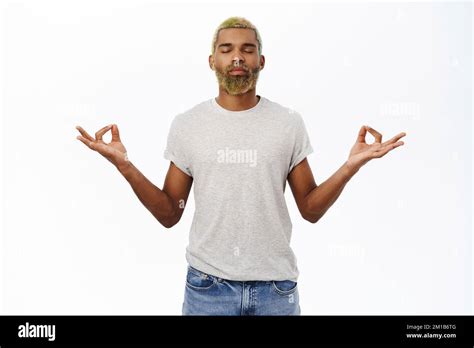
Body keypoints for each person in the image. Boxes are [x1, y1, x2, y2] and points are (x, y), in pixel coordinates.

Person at [75, 16, 406, 315]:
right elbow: (169, 213)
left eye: (248, 50)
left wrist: (350, 166)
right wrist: (125, 166)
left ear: (260, 61)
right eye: (227, 49)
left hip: (276, 291)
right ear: (212, 60)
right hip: (207, 290)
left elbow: (310, 209)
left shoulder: (287, 123)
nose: (237, 57)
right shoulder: (188, 125)